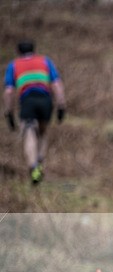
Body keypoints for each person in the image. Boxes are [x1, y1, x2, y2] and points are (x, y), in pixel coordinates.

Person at [4, 40, 67, 184]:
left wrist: (8, 113)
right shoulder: (45, 61)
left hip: (28, 101)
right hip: (45, 100)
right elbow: (56, 84)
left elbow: (9, 91)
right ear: (34, 50)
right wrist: (61, 106)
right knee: (43, 133)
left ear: (18, 52)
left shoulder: (14, 65)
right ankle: (40, 162)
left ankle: (33, 167)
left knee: (29, 132)